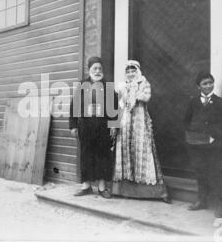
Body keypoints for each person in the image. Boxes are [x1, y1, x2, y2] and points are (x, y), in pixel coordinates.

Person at [113, 60, 171, 203]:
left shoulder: (144, 84)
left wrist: (133, 91)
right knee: (125, 152)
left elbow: (146, 97)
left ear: (137, 71)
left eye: (133, 71)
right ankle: (123, 190)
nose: (131, 73)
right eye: (128, 71)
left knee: (143, 151)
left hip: (139, 121)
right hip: (126, 122)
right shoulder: (121, 87)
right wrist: (114, 124)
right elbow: (119, 107)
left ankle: (154, 192)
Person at [69, 56, 118, 198]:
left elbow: (114, 107)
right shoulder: (82, 85)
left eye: (100, 68)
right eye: (94, 68)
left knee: (103, 155)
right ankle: (86, 186)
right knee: (86, 155)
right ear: (88, 70)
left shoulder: (108, 86)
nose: (97, 71)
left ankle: (102, 187)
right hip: (86, 126)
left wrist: (114, 125)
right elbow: (74, 106)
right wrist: (73, 126)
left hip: (103, 127)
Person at [184, 71, 222, 218]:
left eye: (210, 82)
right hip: (198, 144)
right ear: (198, 86)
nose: (208, 86)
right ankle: (202, 200)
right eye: (205, 83)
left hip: (215, 144)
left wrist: (216, 135)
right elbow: (186, 121)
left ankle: (221, 204)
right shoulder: (193, 102)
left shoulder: (220, 102)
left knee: (217, 172)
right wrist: (193, 135)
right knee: (201, 171)